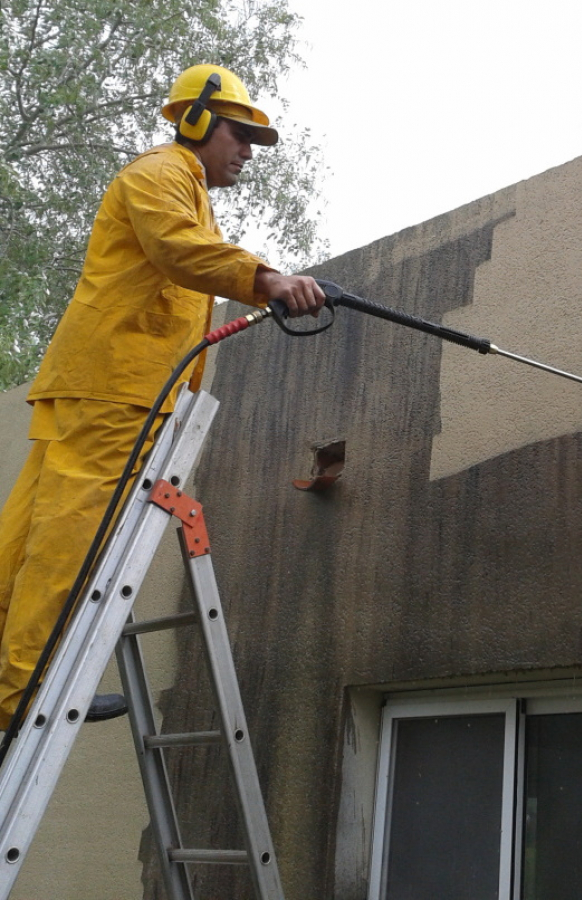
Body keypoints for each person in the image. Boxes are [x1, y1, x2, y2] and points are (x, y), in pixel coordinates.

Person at [0, 64, 325, 730]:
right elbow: (182, 251)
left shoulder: (183, 186)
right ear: (198, 120)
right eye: (240, 135)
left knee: (29, 533)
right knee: (71, 536)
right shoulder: (160, 174)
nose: (246, 154)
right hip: (116, 390)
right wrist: (267, 279)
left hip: (98, 384)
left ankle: (6, 681)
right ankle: (21, 692)